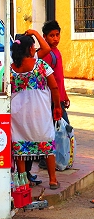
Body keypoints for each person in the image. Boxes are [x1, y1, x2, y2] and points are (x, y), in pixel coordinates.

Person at [10, 33, 62, 190]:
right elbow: (54, 86)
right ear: (31, 48)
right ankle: (53, 179)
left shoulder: (10, 69)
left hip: (18, 115)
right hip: (39, 111)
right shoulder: (40, 65)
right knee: (46, 141)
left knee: (19, 144)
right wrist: (57, 106)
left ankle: (23, 181)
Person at [37, 20, 70, 170]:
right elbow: (47, 80)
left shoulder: (57, 52)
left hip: (59, 99)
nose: (55, 38)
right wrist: (57, 101)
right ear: (44, 37)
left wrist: (65, 95)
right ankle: (46, 160)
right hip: (51, 101)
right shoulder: (47, 54)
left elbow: (59, 78)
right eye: (51, 36)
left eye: (57, 35)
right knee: (55, 131)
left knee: (61, 130)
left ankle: (57, 159)